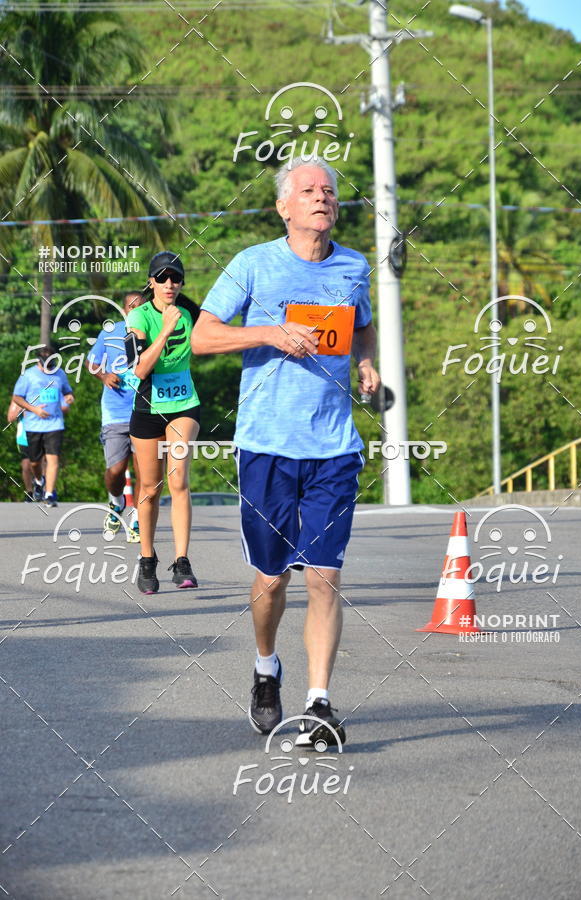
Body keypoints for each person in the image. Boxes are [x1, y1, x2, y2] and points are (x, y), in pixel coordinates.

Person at [191, 156, 381, 747]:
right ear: (284, 207)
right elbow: (201, 336)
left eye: (328, 189)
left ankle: (319, 703)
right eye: (307, 190)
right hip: (268, 445)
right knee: (271, 578)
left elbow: (362, 323)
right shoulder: (254, 264)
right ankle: (266, 664)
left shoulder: (353, 266)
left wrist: (367, 361)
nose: (321, 197)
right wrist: (268, 332)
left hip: (333, 447)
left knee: (324, 575)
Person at [126, 251, 201, 594]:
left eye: (176, 278)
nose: (170, 284)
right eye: (163, 278)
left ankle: (182, 560)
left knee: (178, 479)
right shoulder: (138, 317)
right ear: (151, 281)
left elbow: (215, 336)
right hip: (147, 407)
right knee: (149, 489)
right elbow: (140, 369)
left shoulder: (192, 312)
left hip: (184, 405)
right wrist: (167, 327)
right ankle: (147, 559)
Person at [86, 291, 144, 542]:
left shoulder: (154, 330)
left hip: (146, 411)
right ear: (123, 310)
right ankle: (116, 502)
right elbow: (91, 363)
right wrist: (104, 376)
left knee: (144, 472)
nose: (135, 310)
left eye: (140, 306)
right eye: (130, 307)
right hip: (115, 412)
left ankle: (138, 520)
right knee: (116, 470)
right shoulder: (110, 332)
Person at [12, 345, 74, 507]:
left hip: (55, 424)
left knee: (53, 459)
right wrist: (34, 409)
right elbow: (17, 398)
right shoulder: (29, 375)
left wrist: (69, 398)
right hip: (33, 424)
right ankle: (39, 481)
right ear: (39, 360)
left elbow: (68, 392)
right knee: (34, 462)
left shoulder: (60, 374)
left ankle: (49, 494)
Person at [7, 400, 36, 500]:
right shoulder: (18, 399)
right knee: (26, 465)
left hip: (39, 433)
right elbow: (10, 418)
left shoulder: (39, 394)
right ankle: (29, 492)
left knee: (39, 463)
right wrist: (20, 409)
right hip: (23, 437)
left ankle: (42, 488)